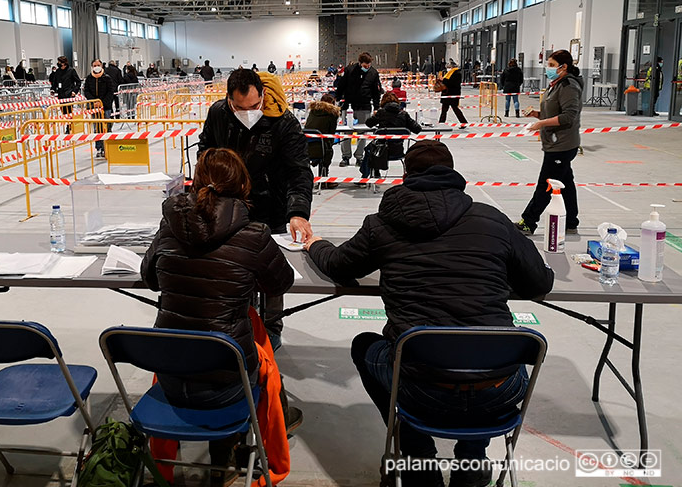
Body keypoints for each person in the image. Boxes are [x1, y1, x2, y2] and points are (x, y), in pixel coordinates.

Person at [303, 140, 554, 487]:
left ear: (405, 175)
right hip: (498, 387)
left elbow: (338, 265)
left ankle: (418, 458)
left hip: (420, 386)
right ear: (453, 175)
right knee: (479, 353)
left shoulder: (381, 225)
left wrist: (315, 243)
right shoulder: (491, 219)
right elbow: (539, 281)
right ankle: (473, 461)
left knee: (365, 346)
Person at [141, 147, 300, 486]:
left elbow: (150, 277)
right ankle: (227, 455)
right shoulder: (253, 234)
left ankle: (217, 456)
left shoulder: (170, 224)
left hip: (170, 376)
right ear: (244, 186)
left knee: (216, 353)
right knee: (256, 352)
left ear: (195, 181)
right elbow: (281, 283)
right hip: (226, 384)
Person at [198, 69, 313, 348]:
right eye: (239, 107)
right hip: (227, 209)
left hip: (270, 208)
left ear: (262, 95)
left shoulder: (283, 121)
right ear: (229, 99)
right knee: (234, 271)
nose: (248, 112)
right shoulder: (218, 114)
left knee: (271, 272)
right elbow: (205, 153)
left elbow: (298, 171)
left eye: (254, 105)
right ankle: (240, 322)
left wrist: (297, 212)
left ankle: (271, 328)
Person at [514, 49, 583, 236]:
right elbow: (554, 111)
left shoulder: (569, 86)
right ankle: (571, 221)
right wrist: (537, 114)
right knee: (566, 182)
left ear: (564, 66)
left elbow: (568, 116)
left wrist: (541, 123)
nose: (548, 68)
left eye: (552, 65)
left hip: (562, 145)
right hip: (554, 143)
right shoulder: (556, 84)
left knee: (546, 184)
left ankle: (528, 222)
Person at [334, 52, 382, 167]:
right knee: (346, 132)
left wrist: (376, 107)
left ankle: (359, 157)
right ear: (360, 63)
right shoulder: (350, 70)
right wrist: (337, 99)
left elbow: (376, 92)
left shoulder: (373, 73)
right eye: (365, 66)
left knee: (362, 133)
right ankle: (345, 157)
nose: (367, 68)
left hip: (365, 107)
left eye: (369, 65)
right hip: (348, 106)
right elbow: (342, 85)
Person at [365, 92, 421, 162]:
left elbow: (368, 123)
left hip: (381, 151)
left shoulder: (381, 113)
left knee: (368, 149)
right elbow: (418, 129)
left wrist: (374, 115)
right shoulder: (404, 114)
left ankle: (370, 172)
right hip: (398, 151)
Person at [83, 59, 116, 158]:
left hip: (105, 107)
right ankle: (99, 148)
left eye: (98, 65)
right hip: (94, 108)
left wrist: (102, 102)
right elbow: (86, 91)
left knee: (107, 127)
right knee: (97, 128)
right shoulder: (89, 78)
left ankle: (107, 146)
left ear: (101, 66)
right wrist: (94, 101)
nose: (96, 66)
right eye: (94, 65)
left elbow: (110, 92)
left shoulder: (107, 78)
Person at [304, 94, 341, 172]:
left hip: (306, 146)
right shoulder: (332, 113)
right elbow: (331, 134)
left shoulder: (313, 111)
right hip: (321, 148)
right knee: (329, 150)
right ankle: (324, 178)